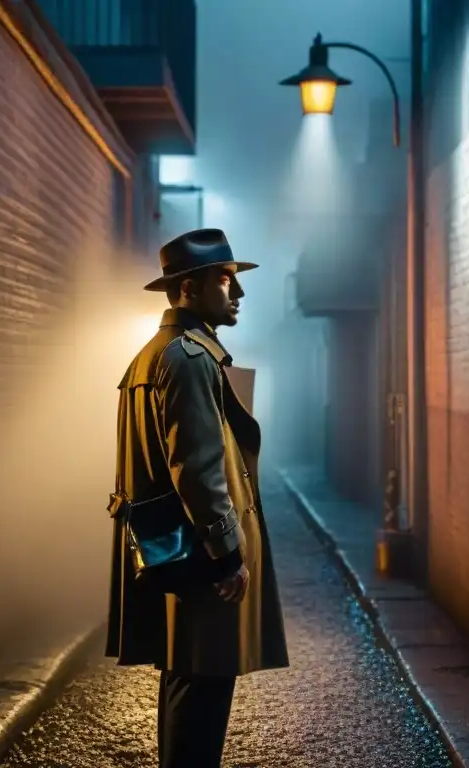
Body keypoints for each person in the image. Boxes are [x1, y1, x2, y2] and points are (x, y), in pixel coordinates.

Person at [106, 228, 289, 768]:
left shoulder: (155, 354)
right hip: (198, 552)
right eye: (225, 279)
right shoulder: (188, 358)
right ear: (188, 288)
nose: (238, 293)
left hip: (174, 546)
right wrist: (227, 552)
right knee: (202, 686)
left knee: (187, 678)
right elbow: (198, 467)